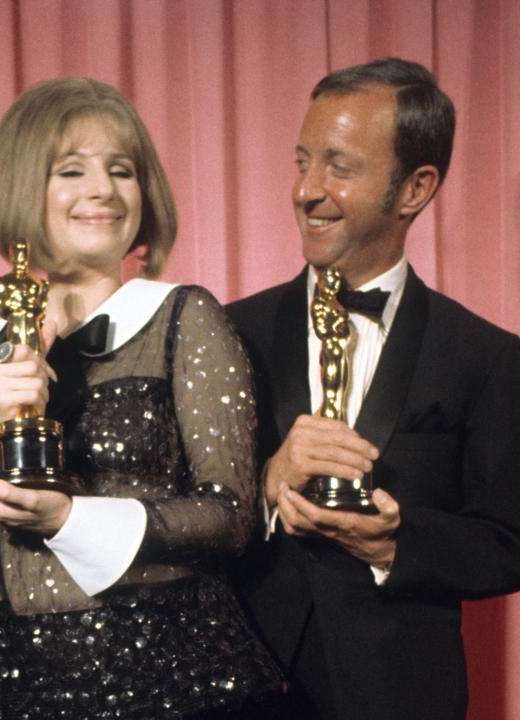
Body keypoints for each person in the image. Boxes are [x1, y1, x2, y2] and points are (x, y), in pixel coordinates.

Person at [0, 77, 282, 719]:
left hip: (170, 680)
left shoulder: (183, 317)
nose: (102, 190)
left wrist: (69, 519)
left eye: (121, 171)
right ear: (21, 188)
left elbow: (231, 517)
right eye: (71, 170)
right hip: (14, 688)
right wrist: (3, 427)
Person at [227, 58, 520, 720]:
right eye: (303, 161)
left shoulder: (487, 357)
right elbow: (175, 511)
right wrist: (267, 484)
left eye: (339, 167)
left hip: (402, 695)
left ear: (414, 189)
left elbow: (508, 541)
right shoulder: (226, 332)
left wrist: (395, 542)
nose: (306, 189)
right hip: (241, 691)